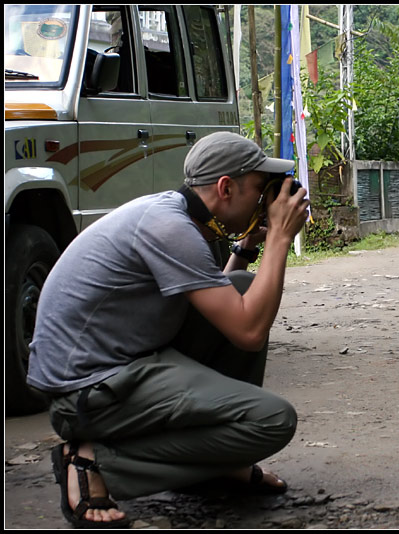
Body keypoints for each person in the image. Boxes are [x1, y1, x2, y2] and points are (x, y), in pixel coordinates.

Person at [26, 132, 310, 528]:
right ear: (226, 188)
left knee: (240, 285)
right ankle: (94, 463)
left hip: (118, 366)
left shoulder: (175, 216)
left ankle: (215, 466)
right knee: (272, 421)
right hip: (88, 392)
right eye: (261, 190)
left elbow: (219, 305)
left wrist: (246, 248)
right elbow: (248, 331)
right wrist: (279, 238)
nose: (267, 201)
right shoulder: (170, 227)